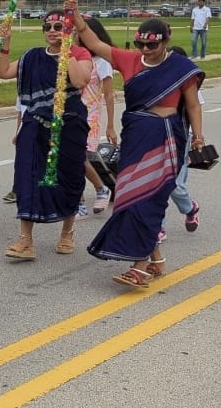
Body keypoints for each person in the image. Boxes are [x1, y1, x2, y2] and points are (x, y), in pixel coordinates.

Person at [77, 16, 204, 287]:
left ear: (165, 41)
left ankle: (139, 266)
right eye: (140, 44)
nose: (145, 50)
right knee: (128, 196)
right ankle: (155, 260)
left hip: (165, 137)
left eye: (151, 45)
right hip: (135, 135)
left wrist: (199, 137)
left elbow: (192, 106)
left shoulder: (181, 68)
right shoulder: (130, 60)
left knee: (150, 199)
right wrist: (77, 17)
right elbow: (94, 42)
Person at [0, 11, 93, 260]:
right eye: (47, 26)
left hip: (68, 126)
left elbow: (80, 80)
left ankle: (67, 232)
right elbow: (3, 72)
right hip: (34, 125)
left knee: (69, 179)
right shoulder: (32, 57)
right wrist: (5, 42)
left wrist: (66, 49)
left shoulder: (79, 54)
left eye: (58, 26)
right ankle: (25, 241)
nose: (52, 30)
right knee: (27, 178)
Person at [77, 16, 117, 215]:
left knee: (79, 157)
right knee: (72, 158)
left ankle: (100, 190)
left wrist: (110, 125)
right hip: (72, 114)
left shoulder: (102, 62)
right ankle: (85, 197)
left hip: (90, 116)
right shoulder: (75, 58)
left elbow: (109, 95)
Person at [166, 46, 201, 233]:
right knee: (158, 184)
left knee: (175, 185)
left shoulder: (188, 83)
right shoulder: (157, 81)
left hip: (180, 137)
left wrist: (198, 137)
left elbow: (195, 108)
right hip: (157, 136)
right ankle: (158, 227)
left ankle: (190, 208)